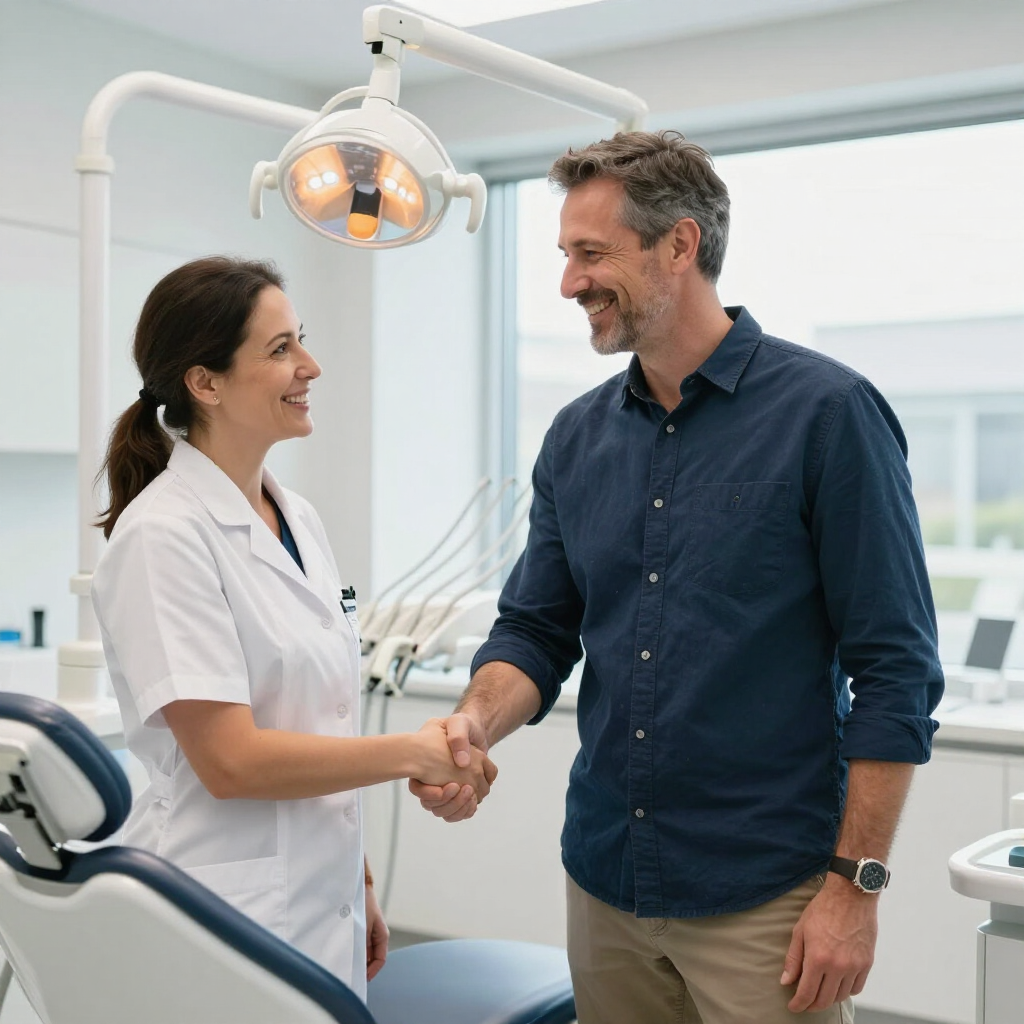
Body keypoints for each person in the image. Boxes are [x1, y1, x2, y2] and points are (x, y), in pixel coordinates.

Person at [410, 132, 943, 1023]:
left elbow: (895, 669)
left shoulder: (828, 416)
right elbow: (536, 630)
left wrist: (856, 889)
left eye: (591, 254)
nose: (569, 282)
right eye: (564, 255)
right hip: (606, 875)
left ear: (680, 246)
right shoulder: (575, 438)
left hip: (765, 893)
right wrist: (473, 725)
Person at [91, 256, 495, 999]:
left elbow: (321, 717)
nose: (310, 365)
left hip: (320, 899)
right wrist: (412, 751)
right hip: (223, 914)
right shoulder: (164, 536)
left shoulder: (295, 517)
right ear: (204, 382)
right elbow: (231, 762)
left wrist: (359, 875)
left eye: (299, 339)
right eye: (280, 350)